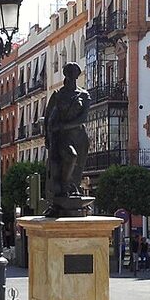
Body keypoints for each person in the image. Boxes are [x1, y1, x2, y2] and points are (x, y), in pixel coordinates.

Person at [43, 62, 90, 215]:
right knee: (70, 156)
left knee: (78, 167)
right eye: (69, 73)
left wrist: (64, 125)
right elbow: (48, 116)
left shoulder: (84, 95)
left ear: (77, 75)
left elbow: (83, 118)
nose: (71, 76)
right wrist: (48, 136)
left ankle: (71, 189)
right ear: (66, 75)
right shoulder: (58, 95)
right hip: (62, 137)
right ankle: (63, 188)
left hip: (79, 137)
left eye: (73, 73)